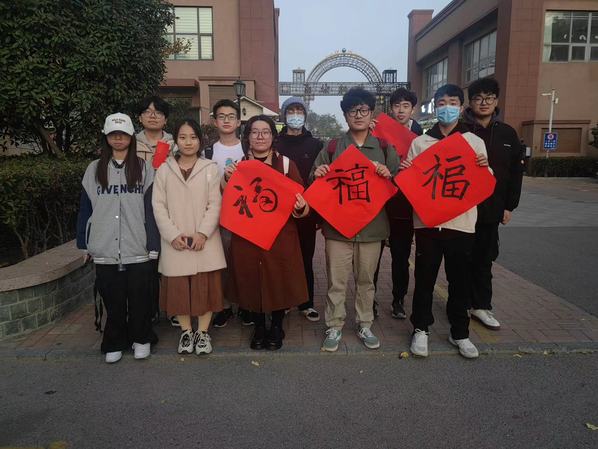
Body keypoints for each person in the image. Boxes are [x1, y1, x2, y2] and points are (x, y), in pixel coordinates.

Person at [402, 84, 490, 359]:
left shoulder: (473, 142)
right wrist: (405, 172)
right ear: (435, 107)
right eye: (441, 103)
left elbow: (485, 182)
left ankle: (459, 332)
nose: (446, 107)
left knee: (459, 281)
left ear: (461, 107)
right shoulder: (420, 143)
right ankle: (421, 329)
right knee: (424, 279)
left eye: (452, 102)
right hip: (428, 224)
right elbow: (410, 184)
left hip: (461, 224)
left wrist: (484, 167)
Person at [311, 88, 399, 352]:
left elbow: (399, 184)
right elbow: (314, 181)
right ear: (345, 115)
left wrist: (389, 176)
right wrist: (318, 173)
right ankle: (334, 325)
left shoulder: (384, 148)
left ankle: (364, 323)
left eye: (363, 110)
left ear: (371, 113)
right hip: (337, 230)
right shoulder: (333, 147)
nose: (358, 115)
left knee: (366, 281)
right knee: (336, 281)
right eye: (352, 111)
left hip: (372, 229)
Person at [76, 113, 159, 364]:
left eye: (123, 134)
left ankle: (141, 338)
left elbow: (151, 209)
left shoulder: (144, 168)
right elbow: (85, 209)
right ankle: (114, 341)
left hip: (138, 245)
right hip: (105, 246)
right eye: (113, 134)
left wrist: (153, 243)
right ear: (106, 137)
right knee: (113, 299)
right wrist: (83, 243)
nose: (118, 138)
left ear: (131, 137)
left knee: (140, 298)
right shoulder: (94, 169)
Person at [222, 115, 309, 350]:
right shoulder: (238, 167)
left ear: (273, 136)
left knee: (279, 277)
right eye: (255, 132)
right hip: (247, 236)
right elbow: (227, 199)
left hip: (280, 236)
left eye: (265, 132)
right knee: (250, 278)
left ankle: (277, 325)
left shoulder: (287, 165)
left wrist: (301, 206)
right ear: (248, 137)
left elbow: (302, 201)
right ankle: (259, 325)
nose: (260, 136)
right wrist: (225, 179)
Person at [152, 118, 225, 355]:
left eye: (193, 137)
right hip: (176, 241)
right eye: (182, 137)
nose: (188, 142)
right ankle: (186, 332)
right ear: (175, 140)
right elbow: (158, 206)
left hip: (205, 241)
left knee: (206, 289)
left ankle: (202, 333)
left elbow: (215, 204)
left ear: (200, 141)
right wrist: (172, 235)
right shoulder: (164, 169)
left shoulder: (210, 168)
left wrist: (203, 233)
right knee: (179, 290)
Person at [463, 77, 524, 330]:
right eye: (478, 98)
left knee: (484, 259)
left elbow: (515, 173)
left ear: (496, 101)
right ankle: (461, 302)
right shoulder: (460, 132)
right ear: (470, 102)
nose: (484, 103)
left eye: (489, 98)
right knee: (461, 259)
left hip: (491, 208)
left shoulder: (507, 133)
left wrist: (509, 206)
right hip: (462, 209)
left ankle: (481, 305)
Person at [372, 88, 423, 320]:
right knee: (373, 255)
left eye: (405, 106)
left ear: (413, 109)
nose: (400, 110)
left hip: (405, 205)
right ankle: (370, 298)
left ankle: (398, 299)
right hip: (381, 203)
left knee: (401, 257)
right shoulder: (378, 132)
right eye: (396, 106)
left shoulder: (423, 137)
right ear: (390, 109)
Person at [205, 99, 254, 328]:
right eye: (221, 116)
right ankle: (224, 306)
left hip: (246, 216)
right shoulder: (207, 151)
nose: (226, 120)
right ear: (215, 121)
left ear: (238, 121)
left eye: (231, 116)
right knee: (221, 262)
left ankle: (245, 304)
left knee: (244, 262)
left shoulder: (248, 149)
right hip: (219, 216)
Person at [276, 96, 323, 322]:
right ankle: (285, 300)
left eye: (299, 111)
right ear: (284, 115)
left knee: (306, 256)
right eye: (291, 111)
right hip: (278, 211)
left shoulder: (315, 145)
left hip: (307, 210)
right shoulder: (275, 143)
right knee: (283, 256)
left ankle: (306, 302)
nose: (295, 115)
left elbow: (321, 180)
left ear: (305, 115)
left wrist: (317, 214)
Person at [135, 95, 176, 326]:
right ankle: (150, 309)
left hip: (172, 212)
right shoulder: (130, 144)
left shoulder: (176, 144)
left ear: (165, 119)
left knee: (171, 261)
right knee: (146, 265)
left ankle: (174, 309)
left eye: (158, 112)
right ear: (140, 117)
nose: (152, 116)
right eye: (147, 112)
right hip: (139, 213)